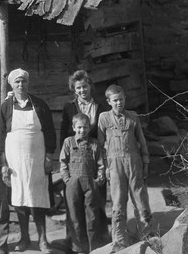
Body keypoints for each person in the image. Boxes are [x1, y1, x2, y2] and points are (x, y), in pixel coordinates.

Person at [0, 68, 56, 253]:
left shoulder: (39, 104)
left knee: (38, 199)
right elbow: (0, 138)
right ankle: (24, 238)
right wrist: (4, 165)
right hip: (15, 162)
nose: (20, 85)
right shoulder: (5, 107)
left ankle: (43, 240)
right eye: (17, 82)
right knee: (19, 199)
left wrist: (49, 157)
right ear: (11, 85)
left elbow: (50, 133)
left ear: (28, 83)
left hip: (36, 160)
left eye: (23, 82)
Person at [97, 85, 152, 253]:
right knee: (118, 203)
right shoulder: (104, 118)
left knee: (140, 199)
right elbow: (100, 145)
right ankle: (119, 240)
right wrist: (104, 167)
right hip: (115, 165)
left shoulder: (133, 117)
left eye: (121, 99)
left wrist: (146, 161)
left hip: (134, 162)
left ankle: (146, 235)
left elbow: (141, 141)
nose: (119, 102)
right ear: (108, 102)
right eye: (115, 100)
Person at [60, 114, 105, 254]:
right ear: (74, 128)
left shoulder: (94, 143)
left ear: (89, 128)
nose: (82, 130)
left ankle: (93, 247)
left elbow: (100, 164)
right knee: (74, 216)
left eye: (85, 127)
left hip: (90, 182)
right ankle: (78, 248)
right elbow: (63, 163)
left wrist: (99, 180)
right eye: (79, 127)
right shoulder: (68, 142)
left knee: (91, 215)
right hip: (73, 182)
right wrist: (67, 179)